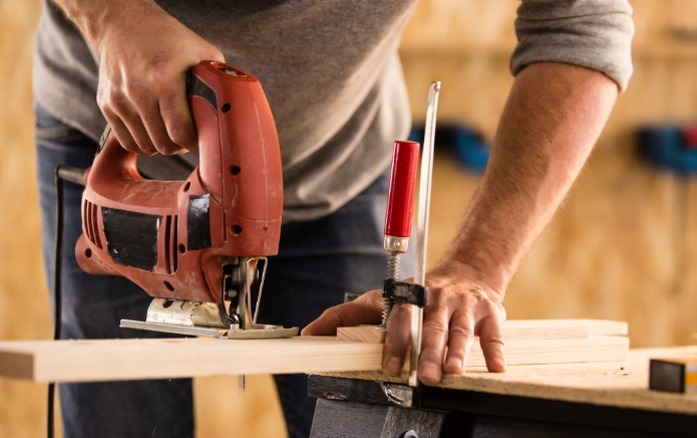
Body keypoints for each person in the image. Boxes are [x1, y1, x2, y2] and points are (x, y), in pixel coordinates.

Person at [33, 0, 633, 436]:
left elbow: (583, 24)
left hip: (343, 157)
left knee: (366, 418)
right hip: (110, 148)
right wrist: (116, 18)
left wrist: (479, 264)